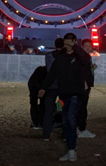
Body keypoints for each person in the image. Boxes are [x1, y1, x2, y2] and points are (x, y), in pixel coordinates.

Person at [38, 32, 91, 162]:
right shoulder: (61, 57)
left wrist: (75, 47)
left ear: (75, 41)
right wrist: (43, 88)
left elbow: (86, 59)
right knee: (66, 120)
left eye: (70, 42)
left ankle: (72, 150)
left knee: (71, 119)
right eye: (65, 42)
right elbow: (52, 74)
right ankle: (70, 148)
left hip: (76, 94)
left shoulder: (79, 56)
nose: (67, 45)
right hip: (63, 93)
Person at [40, 37, 65, 141]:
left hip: (51, 86)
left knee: (48, 111)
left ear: (55, 45)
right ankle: (65, 135)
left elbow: (49, 71)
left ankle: (46, 134)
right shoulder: (66, 56)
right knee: (65, 109)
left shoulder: (49, 56)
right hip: (63, 86)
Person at [76, 38, 99, 138]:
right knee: (82, 107)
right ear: (81, 47)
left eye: (89, 46)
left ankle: (78, 128)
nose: (88, 48)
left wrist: (92, 68)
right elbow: (80, 71)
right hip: (83, 86)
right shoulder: (82, 57)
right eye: (86, 46)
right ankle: (81, 129)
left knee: (81, 107)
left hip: (85, 85)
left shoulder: (87, 57)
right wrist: (84, 83)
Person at [27, 64, 48, 130]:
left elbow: (31, 82)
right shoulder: (46, 70)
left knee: (34, 104)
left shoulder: (40, 69)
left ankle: (36, 122)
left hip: (34, 86)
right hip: (38, 86)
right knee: (42, 104)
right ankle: (40, 122)